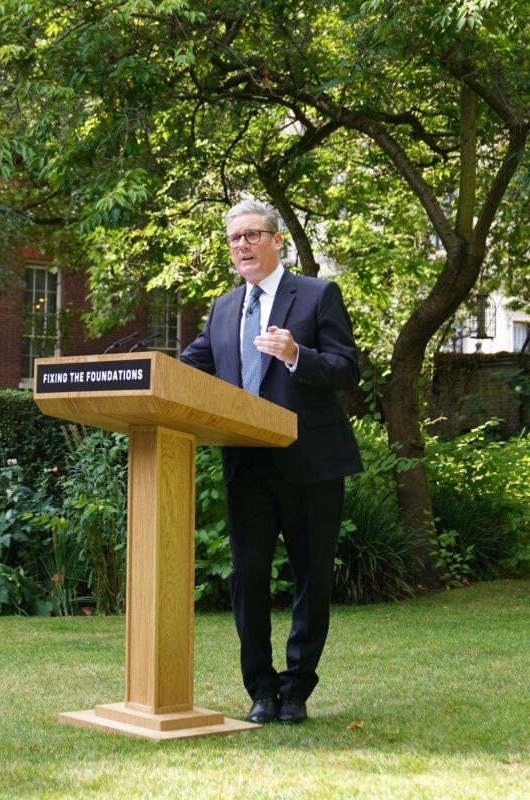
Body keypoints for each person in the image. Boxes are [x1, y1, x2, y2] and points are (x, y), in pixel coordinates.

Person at [180, 199, 362, 725]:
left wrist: (295, 355)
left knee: (310, 579)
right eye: (234, 238)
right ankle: (260, 689)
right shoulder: (222, 308)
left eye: (252, 235)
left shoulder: (316, 294)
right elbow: (190, 368)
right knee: (248, 577)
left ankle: (297, 688)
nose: (242, 245)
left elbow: (347, 369)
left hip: (311, 464)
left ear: (275, 240)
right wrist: (139, 373)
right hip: (248, 466)